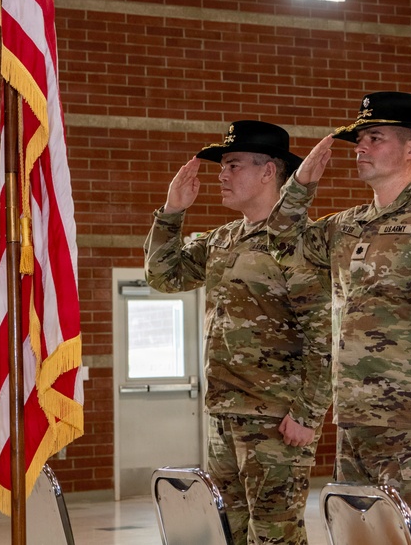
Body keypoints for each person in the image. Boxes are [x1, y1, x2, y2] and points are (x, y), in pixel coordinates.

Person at [266, 91, 411, 545]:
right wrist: (301, 184)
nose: (361, 147)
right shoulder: (347, 225)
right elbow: (278, 238)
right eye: (359, 139)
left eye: (375, 137)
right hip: (355, 424)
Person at [144, 120, 332, 545]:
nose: (221, 175)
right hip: (224, 415)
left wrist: (308, 413)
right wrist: (172, 212)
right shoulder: (223, 239)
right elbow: (163, 276)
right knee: (228, 532)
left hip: (275, 418)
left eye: (233, 165)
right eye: (222, 166)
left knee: (275, 535)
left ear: (269, 171)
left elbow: (324, 333)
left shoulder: (299, 242)